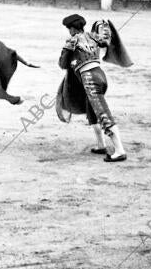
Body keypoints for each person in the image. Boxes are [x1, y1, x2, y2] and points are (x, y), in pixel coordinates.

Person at [56, 14, 133, 162]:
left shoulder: (72, 41)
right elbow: (107, 41)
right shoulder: (93, 36)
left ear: (72, 29)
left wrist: (67, 50)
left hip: (90, 79)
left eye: (69, 29)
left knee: (102, 113)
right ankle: (100, 145)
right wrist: (101, 26)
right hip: (101, 76)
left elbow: (62, 64)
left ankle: (119, 150)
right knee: (91, 108)